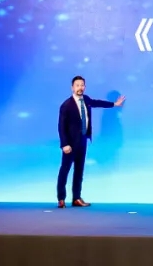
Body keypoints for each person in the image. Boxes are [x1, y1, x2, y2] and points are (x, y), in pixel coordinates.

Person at [56, 76, 125, 208]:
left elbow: (97, 103)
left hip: (83, 140)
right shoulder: (66, 105)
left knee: (79, 171)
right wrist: (64, 144)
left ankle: (76, 198)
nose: (80, 88)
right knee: (65, 170)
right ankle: (61, 198)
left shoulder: (86, 99)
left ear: (85, 87)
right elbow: (61, 126)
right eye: (77, 85)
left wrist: (114, 104)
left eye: (82, 85)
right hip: (70, 144)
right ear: (72, 87)